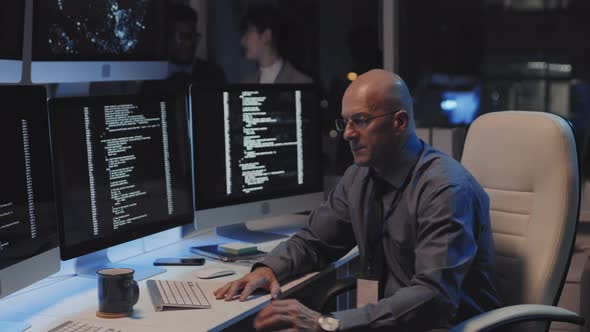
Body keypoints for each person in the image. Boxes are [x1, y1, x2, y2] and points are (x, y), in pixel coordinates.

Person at [214, 69, 501, 331]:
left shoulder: (445, 189)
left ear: (399, 121)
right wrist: (269, 269)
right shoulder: (359, 178)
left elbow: (433, 300)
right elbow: (315, 241)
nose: (347, 134)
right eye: (346, 122)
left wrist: (327, 323)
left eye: (361, 121)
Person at [239, 4, 313, 84]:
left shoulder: (301, 83)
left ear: (266, 36)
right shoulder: (246, 83)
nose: (242, 41)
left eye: (248, 33)